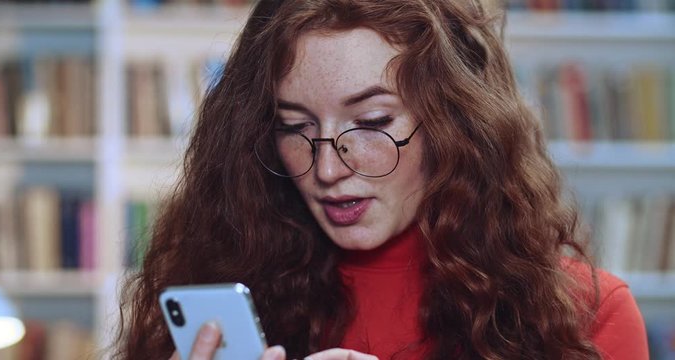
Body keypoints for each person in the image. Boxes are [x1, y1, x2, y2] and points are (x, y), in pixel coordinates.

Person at [115, 0, 649, 359]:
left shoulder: (583, 314)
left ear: (454, 125)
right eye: (294, 127)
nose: (327, 169)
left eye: (372, 123)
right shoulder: (222, 279)